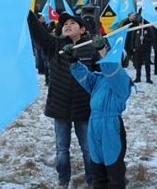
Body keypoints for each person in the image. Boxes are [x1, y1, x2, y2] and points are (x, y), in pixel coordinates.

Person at [27, 11, 100, 188]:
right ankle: (63, 178)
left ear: (82, 29)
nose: (67, 25)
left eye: (72, 23)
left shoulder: (91, 48)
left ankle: (92, 180)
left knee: (88, 149)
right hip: (60, 107)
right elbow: (38, 32)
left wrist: (103, 49)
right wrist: (29, 15)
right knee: (62, 149)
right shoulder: (54, 45)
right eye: (65, 23)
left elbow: (102, 75)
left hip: (85, 109)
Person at [64, 36, 132, 188]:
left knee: (113, 170)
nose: (107, 61)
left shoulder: (123, 80)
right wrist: (74, 62)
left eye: (113, 58)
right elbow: (84, 77)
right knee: (97, 168)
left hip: (111, 127)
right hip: (94, 125)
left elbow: (113, 71)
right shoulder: (99, 79)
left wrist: (103, 51)